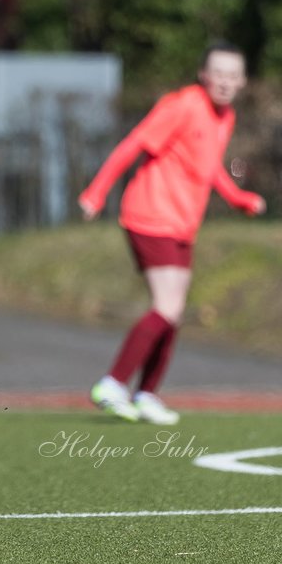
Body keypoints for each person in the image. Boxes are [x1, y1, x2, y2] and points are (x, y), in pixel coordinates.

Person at [78, 42, 264, 424]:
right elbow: (132, 145)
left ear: (242, 81)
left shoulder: (224, 117)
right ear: (204, 75)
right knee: (167, 306)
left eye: (234, 75)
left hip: (182, 223)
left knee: (173, 313)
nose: (226, 82)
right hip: (150, 214)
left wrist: (237, 198)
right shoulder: (182, 105)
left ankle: (146, 394)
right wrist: (96, 192)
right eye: (219, 73)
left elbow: (209, 166)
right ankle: (113, 384)